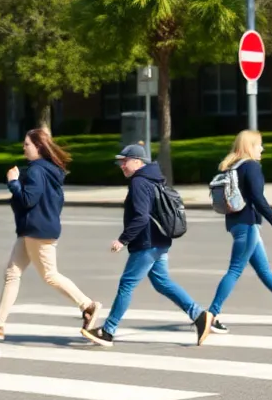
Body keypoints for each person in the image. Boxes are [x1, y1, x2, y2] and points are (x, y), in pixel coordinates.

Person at [80, 144, 211, 347]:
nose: (121, 165)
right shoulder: (153, 178)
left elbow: (141, 217)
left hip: (147, 243)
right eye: (120, 161)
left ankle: (108, 331)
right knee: (162, 283)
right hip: (159, 241)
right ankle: (200, 316)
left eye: (125, 161)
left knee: (126, 285)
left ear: (137, 162)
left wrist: (123, 240)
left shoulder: (139, 182)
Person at [0, 129, 100, 339]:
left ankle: (88, 305)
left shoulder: (36, 171)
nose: (23, 147)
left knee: (50, 275)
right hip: (33, 229)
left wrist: (13, 182)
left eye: (27, 144)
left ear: (39, 147)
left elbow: (28, 199)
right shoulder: (50, 169)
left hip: (37, 229)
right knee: (12, 273)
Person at [206, 130, 272, 335]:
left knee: (263, 270)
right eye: (259, 145)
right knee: (235, 270)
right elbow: (257, 198)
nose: (262, 149)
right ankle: (212, 314)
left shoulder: (232, 167)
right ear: (249, 147)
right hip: (248, 224)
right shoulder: (251, 166)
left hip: (236, 223)